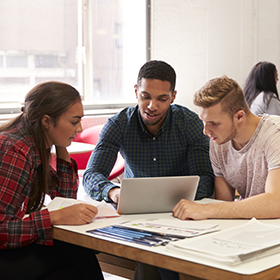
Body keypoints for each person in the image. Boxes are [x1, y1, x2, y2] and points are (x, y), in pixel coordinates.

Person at [83, 60, 214, 280]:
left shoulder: (190, 123)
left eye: (162, 99)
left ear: (173, 96)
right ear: (136, 91)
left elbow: (206, 180)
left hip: (180, 215)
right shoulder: (118, 124)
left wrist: (177, 197)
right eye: (146, 96)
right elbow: (91, 175)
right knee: (151, 258)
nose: (152, 106)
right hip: (136, 217)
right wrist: (113, 192)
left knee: (161, 260)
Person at [0, 82, 104, 280]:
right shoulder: (15, 151)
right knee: (79, 254)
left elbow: (64, 198)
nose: (80, 128)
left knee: (70, 272)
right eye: (74, 122)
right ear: (46, 121)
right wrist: (54, 217)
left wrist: (62, 146)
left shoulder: (33, 146)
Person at [172, 75, 280, 221]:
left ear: (239, 117)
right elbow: (223, 205)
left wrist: (206, 209)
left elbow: (276, 203)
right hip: (253, 228)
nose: (206, 131)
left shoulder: (275, 134)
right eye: (203, 122)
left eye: (214, 123)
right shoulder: (218, 142)